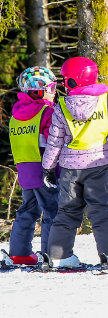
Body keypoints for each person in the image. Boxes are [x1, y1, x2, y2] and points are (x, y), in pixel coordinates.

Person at [41, 57, 108, 269]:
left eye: (65, 80)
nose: (63, 84)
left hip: (70, 170)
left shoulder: (61, 106)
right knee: (100, 210)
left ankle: (59, 255)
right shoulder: (105, 102)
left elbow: (54, 142)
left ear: (72, 81)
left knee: (67, 211)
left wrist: (48, 168)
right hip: (97, 166)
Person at [3, 67, 59, 266]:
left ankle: (19, 253)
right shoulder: (47, 112)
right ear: (39, 91)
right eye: (52, 88)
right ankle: (52, 254)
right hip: (45, 170)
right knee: (52, 210)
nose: (54, 92)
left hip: (25, 171)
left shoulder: (16, 114)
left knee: (28, 210)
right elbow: (54, 141)